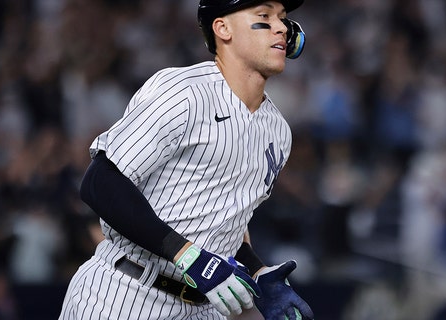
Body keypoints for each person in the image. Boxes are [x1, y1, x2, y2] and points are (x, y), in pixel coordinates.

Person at [58, 0, 313, 319]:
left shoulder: (278, 131)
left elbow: (221, 224)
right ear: (223, 29)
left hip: (204, 308)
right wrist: (187, 255)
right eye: (264, 16)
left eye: (283, 19)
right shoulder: (184, 93)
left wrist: (260, 273)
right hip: (124, 292)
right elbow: (99, 183)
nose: (280, 27)